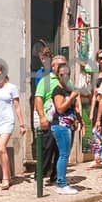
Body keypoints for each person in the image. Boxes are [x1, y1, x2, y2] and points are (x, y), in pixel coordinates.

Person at [49, 61, 80, 194]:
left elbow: (72, 108)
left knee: (65, 155)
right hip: (60, 126)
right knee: (63, 155)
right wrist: (72, 97)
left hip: (68, 125)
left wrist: (78, 119)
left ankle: (62, 181)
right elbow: (60, 109)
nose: (65, 77)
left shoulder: (68, 89)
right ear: (58, 76)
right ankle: (61, 184)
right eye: (62, 75)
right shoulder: (58, 90)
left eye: (67, 74)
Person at [33, 52, 65, 184]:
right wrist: (42, 117)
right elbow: (38, 98)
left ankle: (56, 176)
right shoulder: (46, 81)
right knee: (47, 149)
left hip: (63, 121)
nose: (63, 67)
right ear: (53, 67)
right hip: (50, 120)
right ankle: (39, 175)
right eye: (60, 65)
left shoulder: (65, 80)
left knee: (61, 150)